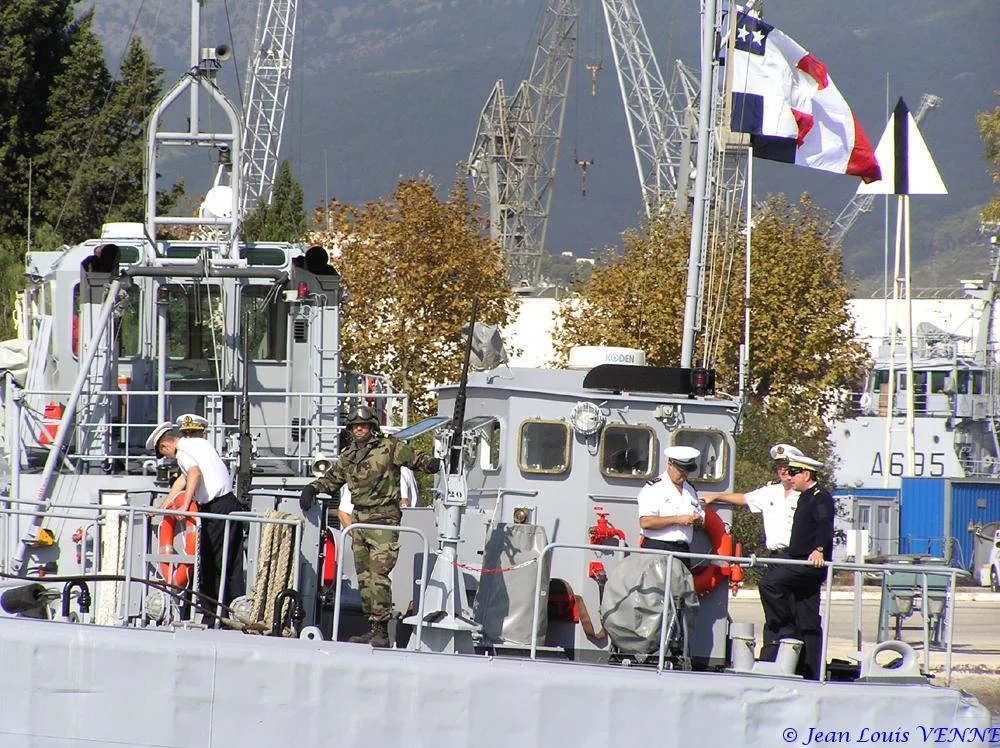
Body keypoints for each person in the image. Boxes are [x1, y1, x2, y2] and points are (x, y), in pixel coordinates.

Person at [299, 405, 440, 648]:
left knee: (379, 575)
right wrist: (313, 488)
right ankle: (373, 628)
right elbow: (332, 480)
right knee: (365, 578)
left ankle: (383, 631)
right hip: (360, 523)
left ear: (372, 427)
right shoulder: (349, 456)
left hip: (384, 522)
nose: (359, 429)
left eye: (363, 425)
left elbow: (417, 459)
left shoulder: (389, 447)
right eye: (355, 426)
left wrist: (434, 463)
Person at [146, 421, 245, 626]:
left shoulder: (182, 452)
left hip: (216, 508)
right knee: (231, 561)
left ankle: (213, 616)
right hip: (231, 504)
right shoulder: (199, 444)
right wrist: (164, 505)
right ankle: (238, 612)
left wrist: (186, 504)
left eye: (165, 454)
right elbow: (183, 478)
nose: (168, 457)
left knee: (210, 563)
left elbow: (193, 474)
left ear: (166, 446)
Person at [755, 453, 834, 680]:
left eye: (793, 473)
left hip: (808, 563)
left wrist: (819, 548)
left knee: (768, 583)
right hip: (797, 558)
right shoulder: (804, 497)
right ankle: (810, 670)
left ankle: (787, 629)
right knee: (808, 618)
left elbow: (824, 524)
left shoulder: (820, 497)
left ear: (806, 474)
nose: (789, 477)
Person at [701, 443, 803, 554]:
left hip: (797, 555)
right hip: (775, 556)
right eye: (779, 466)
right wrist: (716, 496)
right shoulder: (771, 491)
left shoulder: (805, 494)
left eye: (787, 467)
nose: (783, 471)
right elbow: (744, 498)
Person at [636, 445, 705, 571]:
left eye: (688, 470)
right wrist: (677, 520)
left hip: (682, 550)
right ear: (670, 464)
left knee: (680, 590)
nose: (684, 474)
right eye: (681, 469)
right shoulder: (654, 488)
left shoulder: (690, 490)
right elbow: (645, 522)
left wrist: (698, 521)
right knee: (656, 589)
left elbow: (700, 521)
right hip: (658, 548)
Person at [338, 465, 419, 528]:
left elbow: (404, 504)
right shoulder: (360, 471)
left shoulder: (400, 470)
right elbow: (343, 513)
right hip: (373, 535)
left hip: (394, 536)